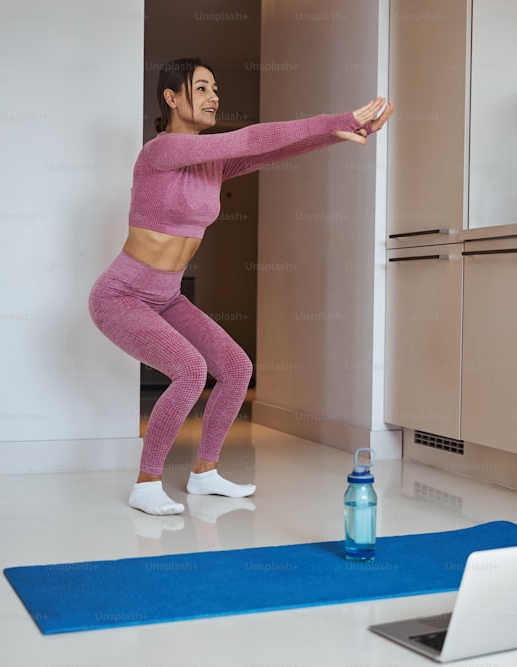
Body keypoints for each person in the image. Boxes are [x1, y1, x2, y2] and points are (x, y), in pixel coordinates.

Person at [88, 57, 394, 516]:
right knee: (191, 370)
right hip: (122, 296)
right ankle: (147, 482)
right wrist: (340, 118)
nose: (214, 97)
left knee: (235, 367)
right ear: (171, 97)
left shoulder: (210, 163)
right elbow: (250, 137)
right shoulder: (162, 150)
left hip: (166, 297)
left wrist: (334, 136)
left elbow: (266, 151)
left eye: (217, 89)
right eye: (203, 88)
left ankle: (205, 473)